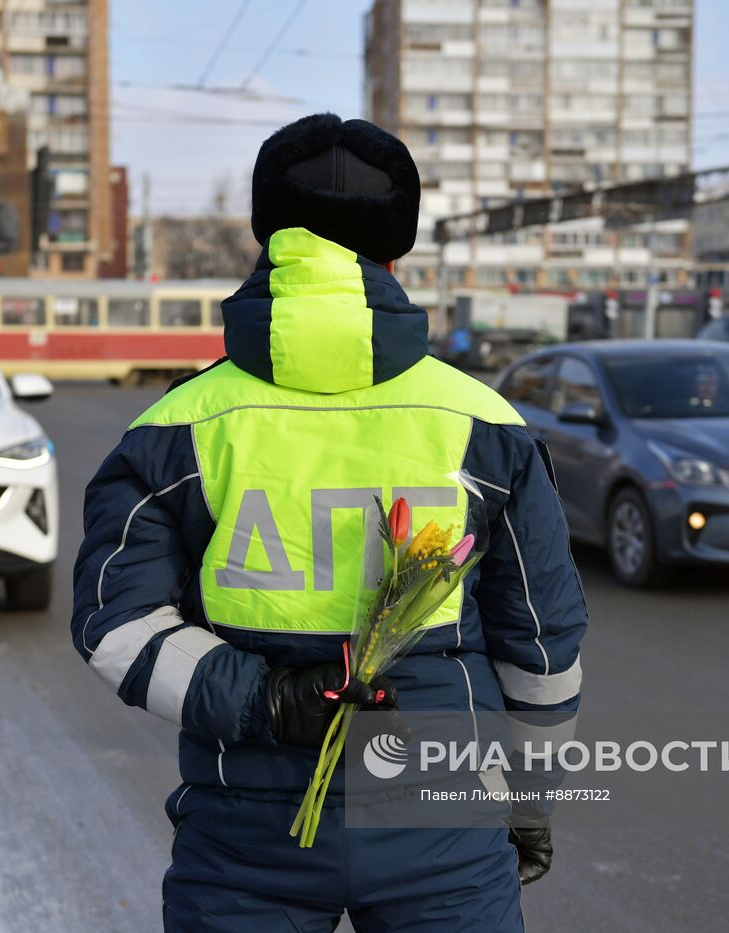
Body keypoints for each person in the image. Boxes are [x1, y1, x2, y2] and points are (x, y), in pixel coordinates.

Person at [72, 113, 587, 930]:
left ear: (269, 237)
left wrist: (271, 701)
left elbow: (117, 624)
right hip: (443, 821)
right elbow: (544, 650)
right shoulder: (486, 424)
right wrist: (527, 801)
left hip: (244, 828)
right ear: (398, 250)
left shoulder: (175, 427)